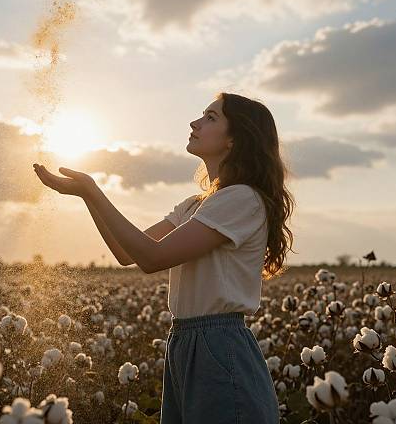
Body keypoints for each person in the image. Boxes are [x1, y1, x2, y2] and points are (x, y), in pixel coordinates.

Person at [33, 92, 297, 424]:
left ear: (235, 139)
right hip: (184, 342)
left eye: (211, 118)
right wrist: (87, 196)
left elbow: (152, 258)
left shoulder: (241, 199)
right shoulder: (194, 204)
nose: (195, 123)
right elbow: (127, 253)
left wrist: (92, 190)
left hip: (220, 344)